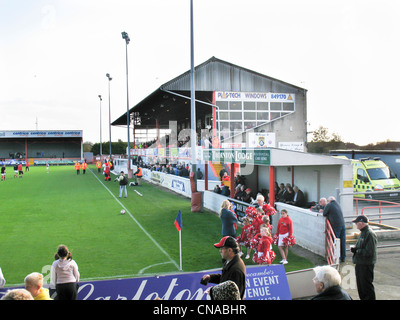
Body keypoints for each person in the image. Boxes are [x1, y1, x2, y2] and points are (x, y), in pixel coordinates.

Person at [351, 215, 377, 300]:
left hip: (366, 264)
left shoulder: (369, 234)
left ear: (361, 223)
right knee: (361, 286)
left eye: (356, 223)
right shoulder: (363, 232)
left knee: (366, 286)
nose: (355, 225)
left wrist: (357, 251)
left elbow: (369, 251)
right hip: (360, 263)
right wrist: (356, 248)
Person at [323, 196, 346, 263]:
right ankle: (343, 257)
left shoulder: (329, 205)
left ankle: (335, 257)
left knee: (335, 242)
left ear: (329, 200)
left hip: (336, 226)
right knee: (342, 241)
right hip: (342, 225)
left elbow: (324, 213)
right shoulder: (338, 204)